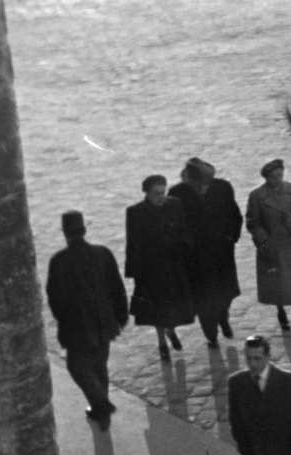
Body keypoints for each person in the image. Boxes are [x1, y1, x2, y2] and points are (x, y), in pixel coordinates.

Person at [44, 210, 128, 429]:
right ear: (84, 230)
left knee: (77, 366)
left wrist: (62, 318)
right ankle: (101, 412)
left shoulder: (59, 261)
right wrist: (121, 314)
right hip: (104, 321)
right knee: (100, 366)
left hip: (77, 325)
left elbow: (57, 298)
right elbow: (116, 287)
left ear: (65, 233)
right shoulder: (103, 253)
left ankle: (101, 404)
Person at [168, 157, 243, 347]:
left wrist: (231, 238)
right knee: (203, 297)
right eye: (197, 183)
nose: (202, 187)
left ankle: (223, 316)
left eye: (205, 183)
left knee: (226, 293)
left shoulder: (223, 187)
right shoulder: (177, 193)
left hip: (221, 251)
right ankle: (211, 334)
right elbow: (173, 225)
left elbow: (234, 215)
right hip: (195, 256)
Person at [125, 174, 195, 359]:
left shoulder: (175, 204)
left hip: (174, 266)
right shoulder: (136, 212)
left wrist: (185, 248)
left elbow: (186, 230)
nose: (161, 197)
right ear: (147, 193)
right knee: (157, 308)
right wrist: (136, 272)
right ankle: (162, 342)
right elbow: (133, 243)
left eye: (163, 192)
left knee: (172, 304)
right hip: (152, 269)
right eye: (157, 194)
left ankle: (170, 330)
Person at [245, 159, 291, 335]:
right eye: (272, 177)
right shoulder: (257, 196)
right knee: (277, 284)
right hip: (273, 245)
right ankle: (281, 312)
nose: (277, 179)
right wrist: (264, 242)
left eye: (280, 175)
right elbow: (252, 222)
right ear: (266, 178)